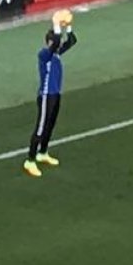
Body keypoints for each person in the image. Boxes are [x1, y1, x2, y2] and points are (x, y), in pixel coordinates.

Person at [23, 25, 78, 178]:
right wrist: (57, 29)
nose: (59, 44)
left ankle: (43, 152)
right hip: (46, 95)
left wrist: (68, 27)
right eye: (55, 41)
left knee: (50, 125)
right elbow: (55, 45)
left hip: (55, 94)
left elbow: (72, 41)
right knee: (40, 127)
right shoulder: (44, 54)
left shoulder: (56, 54)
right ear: (49, 42)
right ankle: (30, 160)